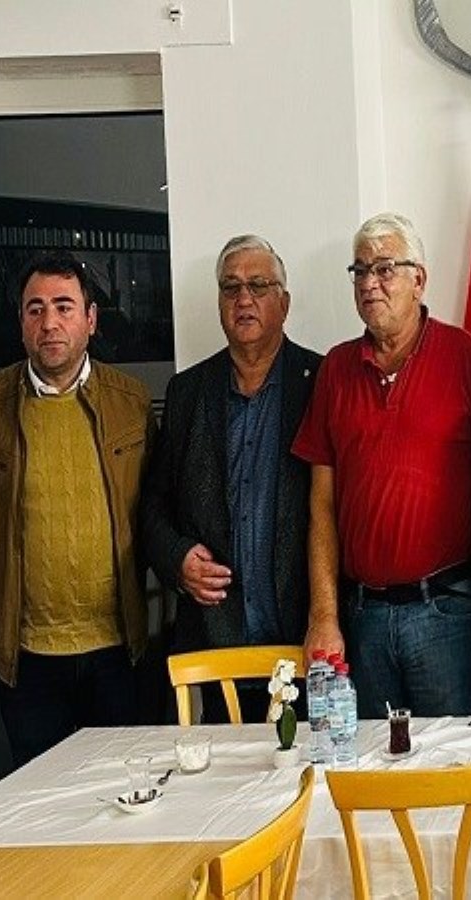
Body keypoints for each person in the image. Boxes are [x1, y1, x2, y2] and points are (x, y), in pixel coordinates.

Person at [293, 213, 471, 717]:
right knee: (366, 756)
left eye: (384, 269)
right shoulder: (336, 369)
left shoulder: (461, 354)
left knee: (446, 755)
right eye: (360, 271)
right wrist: (324, 615)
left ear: (418, 280)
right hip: (362, 618)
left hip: (444, 612)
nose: (369, 283)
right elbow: (321, 507)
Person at [140, 236, 321, 724]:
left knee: (312, 765)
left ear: (284, 302)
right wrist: (177, 559)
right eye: (231, 287)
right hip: (218, 644)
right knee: (227, 770)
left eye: (258, 286)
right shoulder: (187, 392)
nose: (244, 299)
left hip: (306, 641)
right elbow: (153, 506)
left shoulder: (322, 382)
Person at [0, 252, 155, 765]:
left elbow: (155, 512)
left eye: (64, 307)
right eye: (35, 309)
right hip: (28, 658)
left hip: (118, 650)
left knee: (124, 789)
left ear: (90, 319)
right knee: (41, 800)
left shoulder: (131, 402)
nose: (50, 323)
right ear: (21, 323)